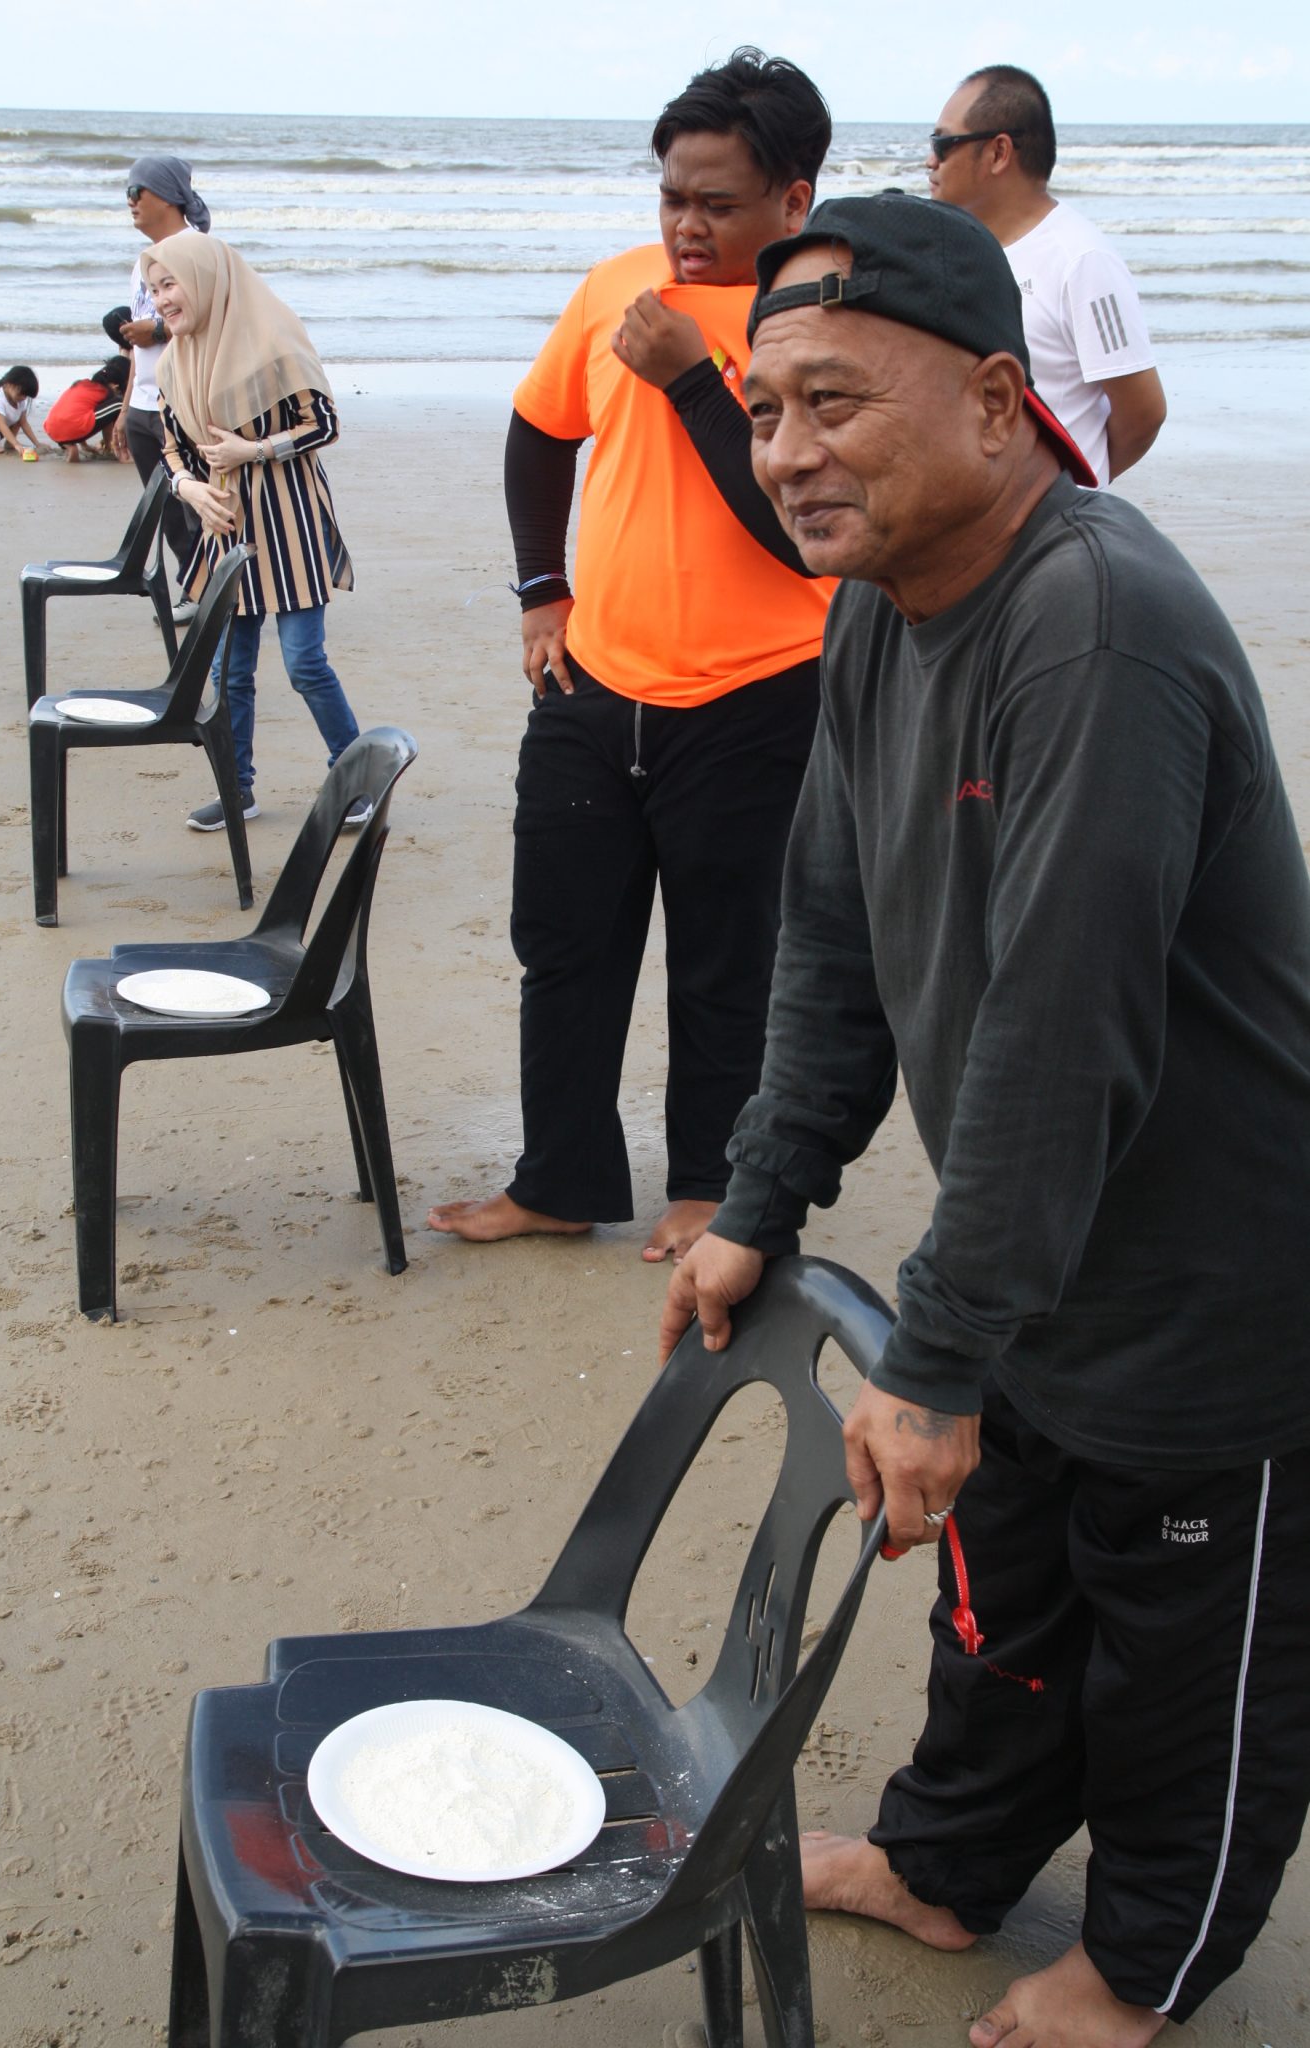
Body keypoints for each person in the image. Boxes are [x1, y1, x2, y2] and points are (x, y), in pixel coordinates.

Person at [661, 191, 1310, 2047]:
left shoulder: (1092, 630)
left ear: (997, 402)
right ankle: (946, 1862)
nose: (787, 452)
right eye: (763, 411)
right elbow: (830, 936)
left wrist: (933, 1356)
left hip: (1209, 1283)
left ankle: (1140, 1967)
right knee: (999, 1604)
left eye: (834, 402)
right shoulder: (882, 610)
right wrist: (760, 1195)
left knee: (1184, 1667)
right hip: (1029, 1253)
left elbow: (1057, 1034)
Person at [427, 48, 836, 1264]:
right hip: (591, 685)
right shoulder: (616, 288)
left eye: (716, 202)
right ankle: (558, 1178)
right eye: (669, 196)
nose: (683, 226)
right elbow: (536, 431)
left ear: (792, 201)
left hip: (760, 695)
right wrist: (539, 590)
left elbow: (801, 533)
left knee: (727, 959)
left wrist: (695, 381)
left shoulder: (820, 324)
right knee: (562, 946)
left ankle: (709, 1184)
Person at [142, 232, 368, 834]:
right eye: (154, 289)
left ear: (206, 280)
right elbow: (172, 450)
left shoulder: (274, 340)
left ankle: (355, 778)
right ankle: (236, 788)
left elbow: (324, 424)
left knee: (304, 663)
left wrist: (255, 449)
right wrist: (190, 490)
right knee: (227, 671)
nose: (161, 300)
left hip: (291, 520)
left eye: (170, 284)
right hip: (227, 526)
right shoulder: (173, 364)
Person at [927, 64, 1166, 487]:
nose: (930, 161)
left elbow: (1143, 413)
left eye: (943, 144)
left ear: (999, 153)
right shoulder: (957, 249)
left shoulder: (1082, 260)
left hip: (1056, 521)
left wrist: (1070, 491)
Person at [113, 156, 211, 622]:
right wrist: (125, 408)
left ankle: (218, 594)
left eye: (138, 191)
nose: (130, 201)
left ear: (168, 197)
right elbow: (137, 345)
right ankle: (194, 590)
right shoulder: (143, 262)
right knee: (167, 511)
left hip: (183, 404)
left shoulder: (198, 251)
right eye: (127, 192)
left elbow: (213, 323)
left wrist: (155, 331)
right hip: (143, 405)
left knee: (198, 504)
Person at [43, 356, 130, 461]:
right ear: (115, 386)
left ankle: (69, 446)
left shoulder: (81, 384)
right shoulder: (106, 393)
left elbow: (77, 411)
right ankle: (116, 448)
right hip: (72, 425)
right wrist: (108, 445)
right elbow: (107, 424)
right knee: (120, 404)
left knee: (81, 416)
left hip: (52, 427)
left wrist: (84, 445)